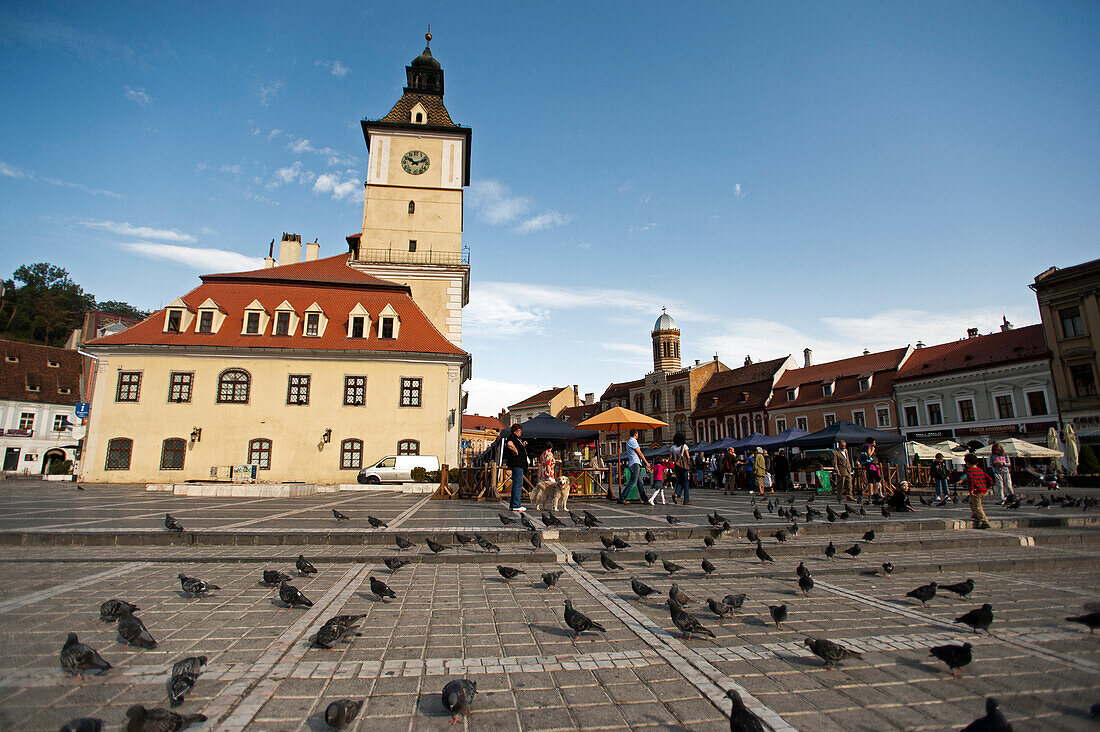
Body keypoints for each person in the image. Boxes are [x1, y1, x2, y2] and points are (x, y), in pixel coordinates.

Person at [956, 452, 992, 529]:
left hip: (976, 491)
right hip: (983, 490)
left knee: (977, 506)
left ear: (968, 463)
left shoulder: (970, 471)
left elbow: (971, 480)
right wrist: (986, 487)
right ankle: (976, 515)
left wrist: (972, 489)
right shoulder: (980, 470)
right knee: (971, 501)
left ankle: (985, 521)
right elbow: (989, 479)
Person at [503, 424, 530, 512]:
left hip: (519, 464)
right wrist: (516, 450)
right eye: (519, 431)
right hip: (517, 464)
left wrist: (523, 445)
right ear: (515, 431)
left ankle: (513, 504)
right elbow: (509, 444)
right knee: (518, 484)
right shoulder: (512, 437)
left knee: (517, 484)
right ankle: (516, 504)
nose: (520, 432)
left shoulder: (517, 439)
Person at [620, 429, 650, 504]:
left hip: (635, 463)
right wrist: (646, 462)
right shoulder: (633, 441)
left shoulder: (630, 441)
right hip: (635, 464)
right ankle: (622, 497)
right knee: (633, 482)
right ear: (636, 434)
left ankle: (644, 498)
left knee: (639, 482)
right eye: (637, 433)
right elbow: (639, 453)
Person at [670, 432, 691, 504]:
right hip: (683, 466)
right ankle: (686, 500)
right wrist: (688, 464)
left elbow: (670, 458)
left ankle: (676, 493)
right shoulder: (684, 446)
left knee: (679, 482)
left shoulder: (673, 447)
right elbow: (688, 457)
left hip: (677, 466)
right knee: (685, 483)